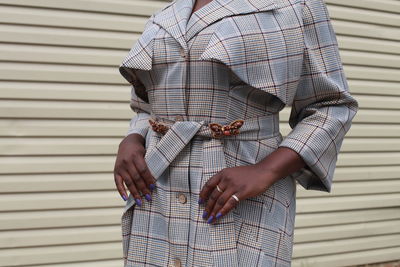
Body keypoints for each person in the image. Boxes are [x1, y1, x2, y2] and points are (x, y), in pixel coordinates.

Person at [114, 0, 359, 266]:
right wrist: (134, 138)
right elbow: (145, 105)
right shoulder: (167, 14)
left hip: (237, 191)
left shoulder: (295, 6)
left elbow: (330, 105)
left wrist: (266, 170)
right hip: (156, 185)